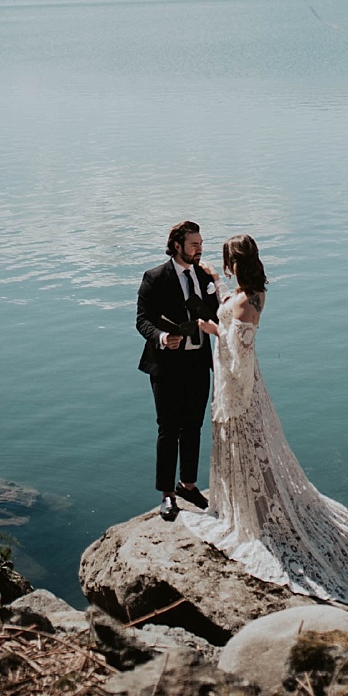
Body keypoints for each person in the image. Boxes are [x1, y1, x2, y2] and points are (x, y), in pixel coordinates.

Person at [185, 234, 348, 610]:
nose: (223, 266)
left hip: (239, 390)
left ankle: (252, 515)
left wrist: (213, 331)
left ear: (234, 263)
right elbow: (232, 312)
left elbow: (238, 357)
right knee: (259, 447)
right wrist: (216, 284)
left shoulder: (242, 304)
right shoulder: (255, 294)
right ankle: (257, 504)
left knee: (246, 445)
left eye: (225, 262)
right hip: (253, 386)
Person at [135, 219, 221, 522]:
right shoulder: (155, 277)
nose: (199, 249)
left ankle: (188, 485)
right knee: (168, 429)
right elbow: (142, 320)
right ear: (176, 246)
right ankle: (167, 494)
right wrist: (162, 337)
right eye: (194, 244)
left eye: (201, 244)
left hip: (198, 361)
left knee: (194, 426)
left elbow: (216, 313)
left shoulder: (203, 275)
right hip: (166, 364)